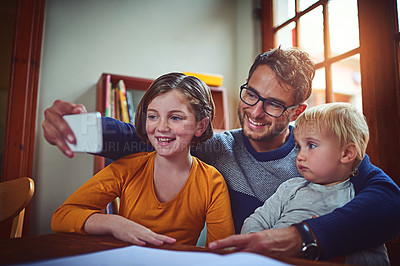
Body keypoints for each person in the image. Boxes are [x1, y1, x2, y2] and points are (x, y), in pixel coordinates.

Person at [43, 47, 400, 260]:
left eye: (274, 104)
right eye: (252, 95)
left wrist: (299, 237)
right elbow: (148, 138)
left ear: (297, 111)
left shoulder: (321, 156)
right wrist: (79, 129)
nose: (256, 112)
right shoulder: (217, 147)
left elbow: (390, 202)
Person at [51, 73, 235, 246]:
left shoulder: (212, 182)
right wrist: (113, 223)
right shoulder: (128, 168)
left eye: (175, 117)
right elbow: (62, 216)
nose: (161, 127)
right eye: (153, 116)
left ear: (201, 126)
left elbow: (221, 250)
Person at [241, 102, 389, 265]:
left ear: (347, 153)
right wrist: (254, 245)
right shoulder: (290, 187)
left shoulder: (359, 200)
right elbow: (257, 220)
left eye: (311, 145)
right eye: (298, 147)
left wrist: (338, 256)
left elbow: (378, 260)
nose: (300, 156)